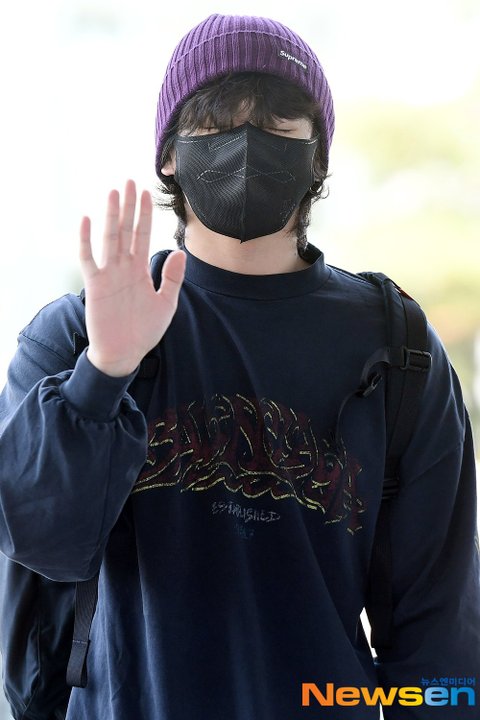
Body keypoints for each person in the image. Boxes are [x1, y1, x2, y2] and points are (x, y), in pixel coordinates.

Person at [0, 13, 479, 720]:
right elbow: (37, 539)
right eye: (217, 125)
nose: (248, 148)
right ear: (169, 156)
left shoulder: (397, 349)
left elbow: (441, 632)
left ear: (318, 158)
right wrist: (104, 372)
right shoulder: (75, 336)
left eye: (279, 126)